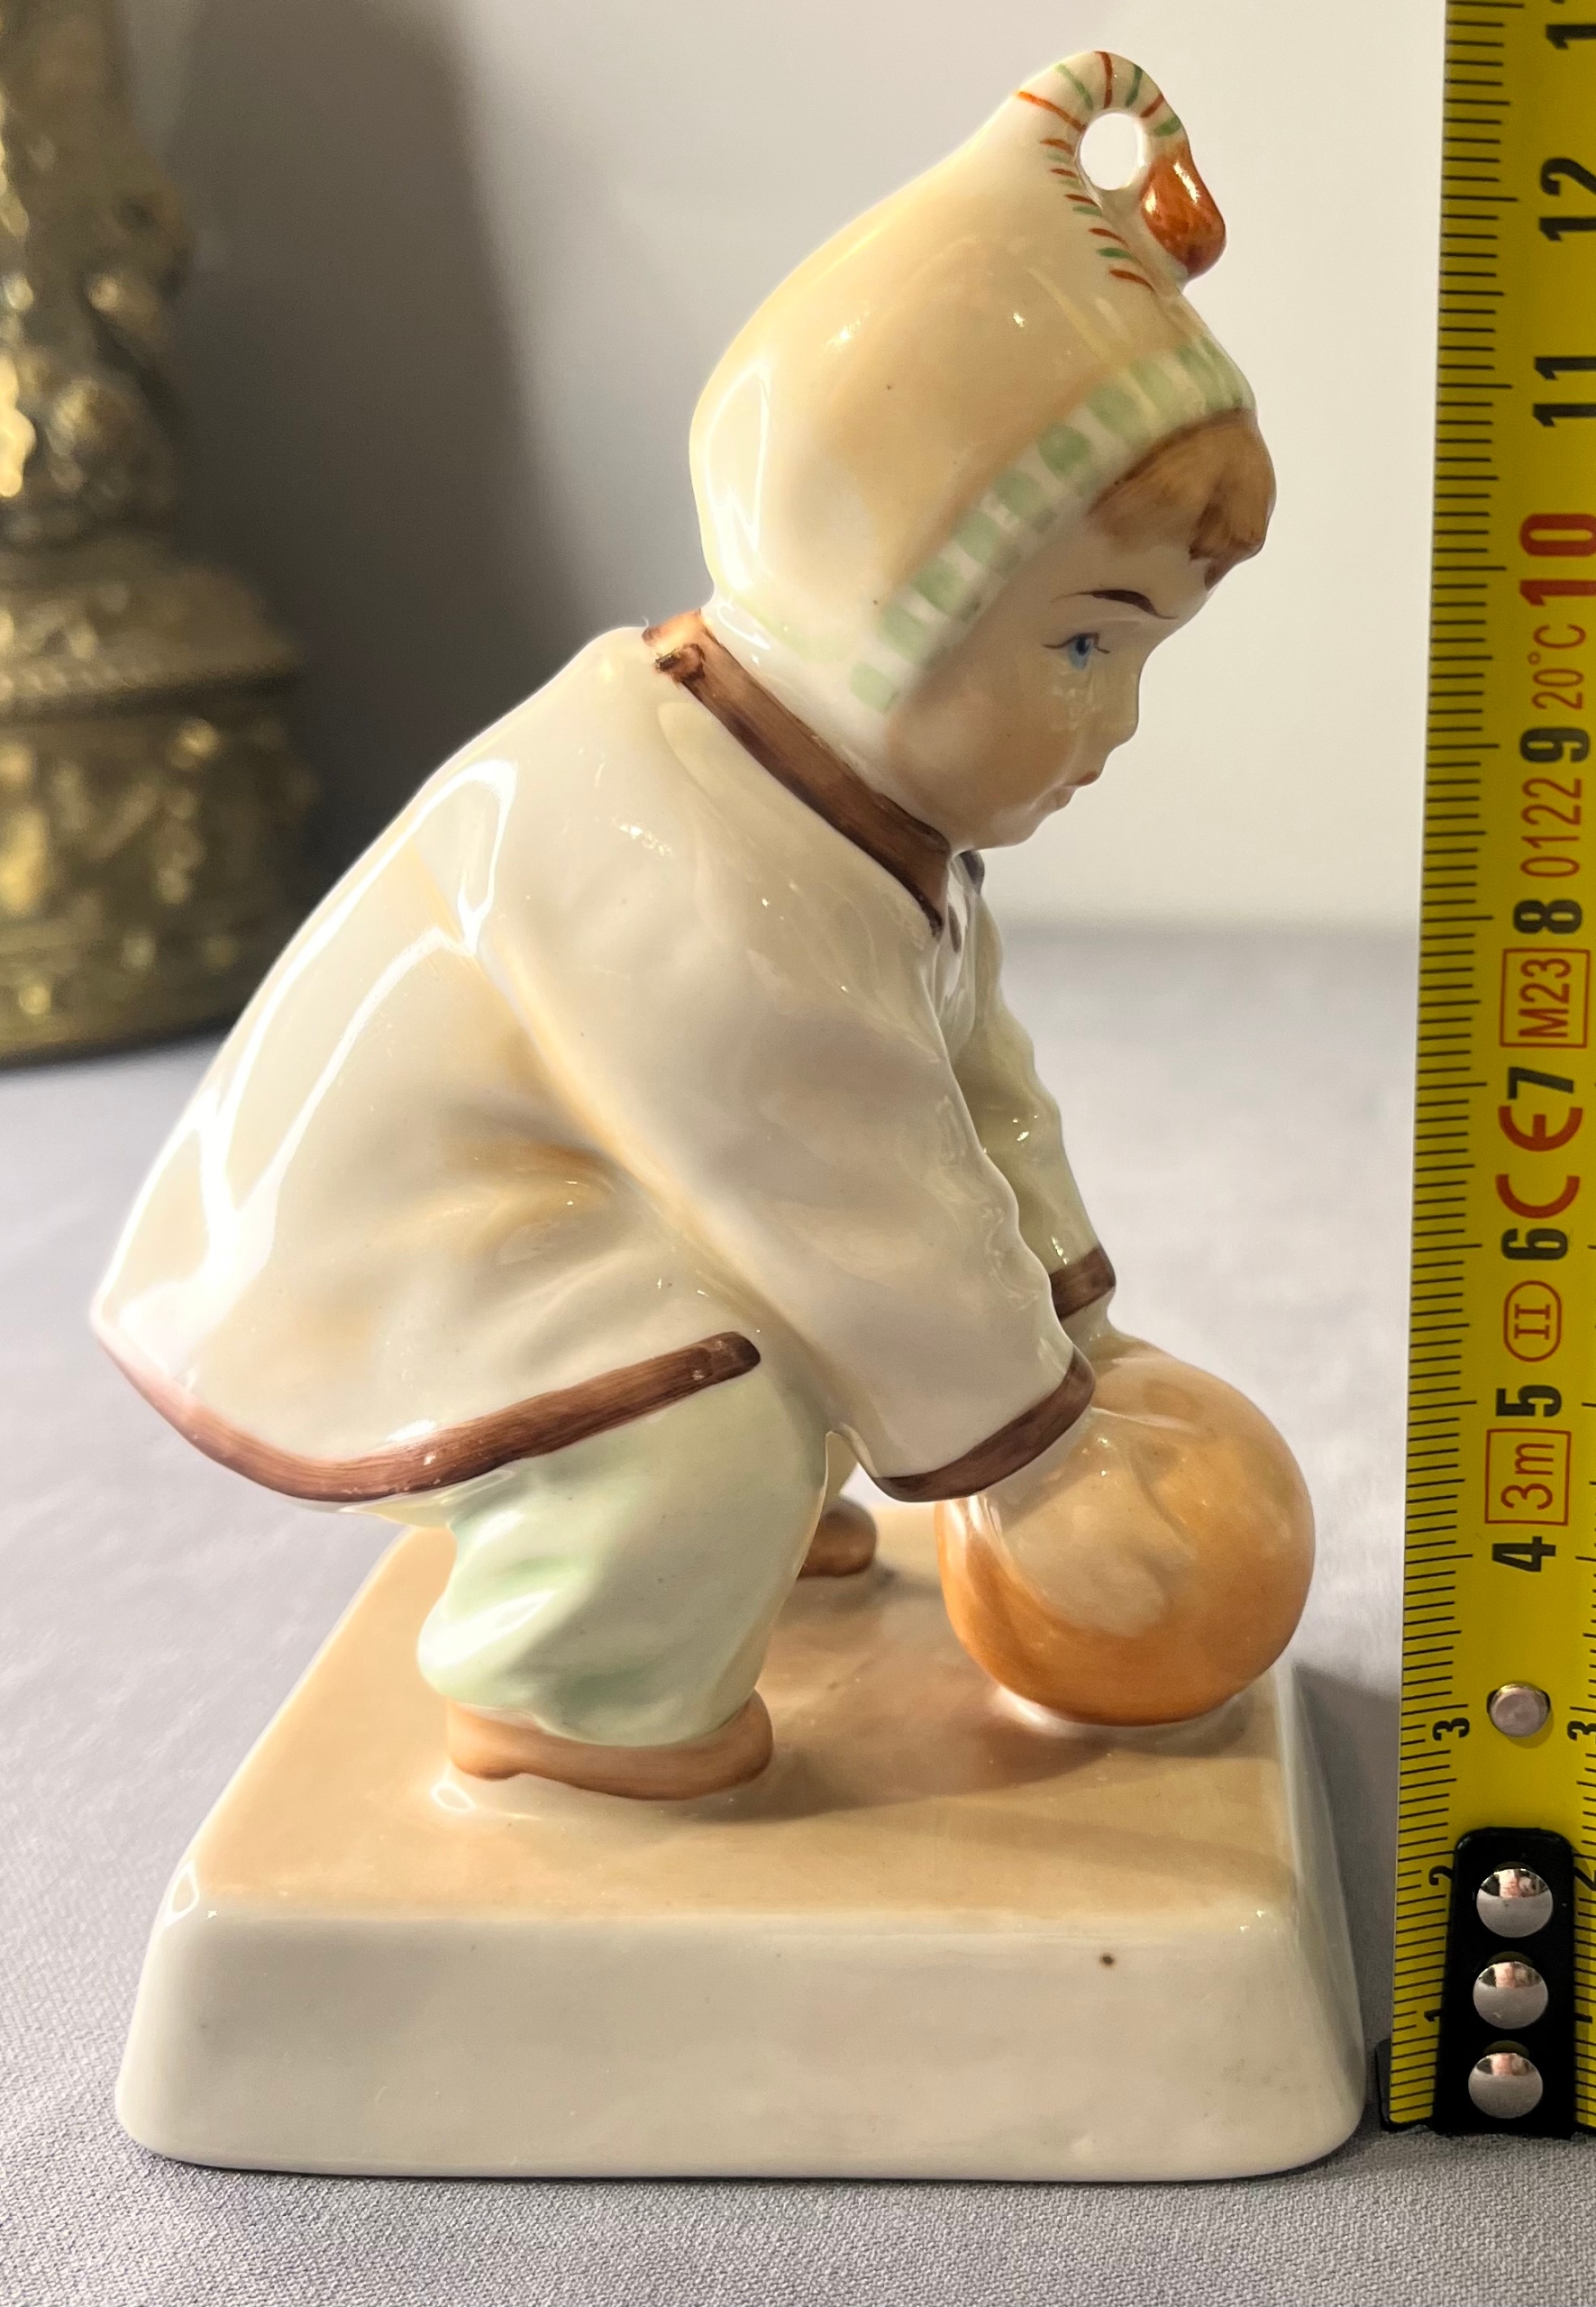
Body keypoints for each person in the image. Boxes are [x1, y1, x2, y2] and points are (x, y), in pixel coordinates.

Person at [94, 53, 1281, 1797]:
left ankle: (714, 1535)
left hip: (557, 1202)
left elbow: (973, 1095)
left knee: (780, 1308)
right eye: (1085, 642)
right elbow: (853, 1192)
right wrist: (1034, 1461)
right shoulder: (678, 847)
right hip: (390, 1264)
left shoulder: (848, 807)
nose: (1113, 723)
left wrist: (1074, 1337)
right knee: (721, 1383)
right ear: (879, 586)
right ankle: (567, 1685)